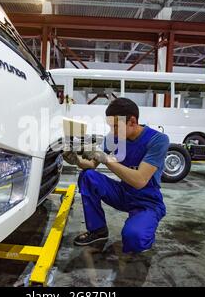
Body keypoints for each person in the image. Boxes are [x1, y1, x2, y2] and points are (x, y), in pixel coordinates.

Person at [63, 98, 169, 253]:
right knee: (88, 176)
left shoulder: (158, 140)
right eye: (110, 126)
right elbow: (92, 165)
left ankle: (143, 225)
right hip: (123, 192)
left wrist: (106, 159)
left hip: (146, 200)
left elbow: (140, 180)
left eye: (115, 126)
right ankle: (98, 230)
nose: (112, 131)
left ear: (132, 121)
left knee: (134, 238)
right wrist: (76, 160)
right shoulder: (113, 138)